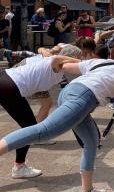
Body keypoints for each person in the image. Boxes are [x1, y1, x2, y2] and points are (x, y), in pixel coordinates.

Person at [0, 44, 114, 192]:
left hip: (71, 94)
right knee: (42, 132)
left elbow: (66, 66)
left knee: (92, 141)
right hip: (81, 99)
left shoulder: (97, 63)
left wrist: (56, 55)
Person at [0, 48, 80, 179]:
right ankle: (19, 167)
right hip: (10, 85)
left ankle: (19, 166)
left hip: (6, 78)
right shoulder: (56, 62)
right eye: (77, 58)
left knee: (29, 127)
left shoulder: (59, 68)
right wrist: (84, 63)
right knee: (29, 129)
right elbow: (57, 58)